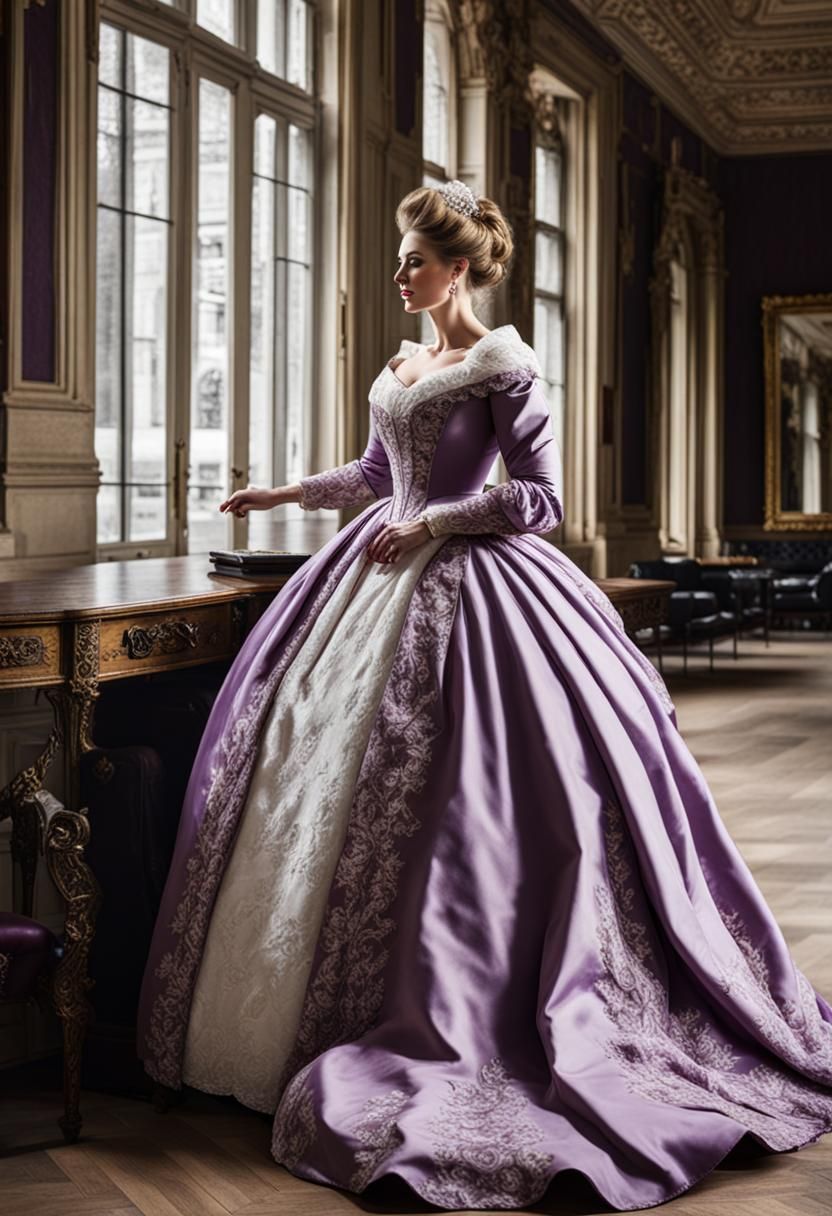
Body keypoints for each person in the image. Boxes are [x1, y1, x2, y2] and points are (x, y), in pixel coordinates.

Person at [138, 180, 832, 1212]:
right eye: (399, 258)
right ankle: (295, 1018)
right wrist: (287, 493)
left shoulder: (502, 361)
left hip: (473, 587)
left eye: (414, 259)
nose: (399, 274)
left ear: (457, 267)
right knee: (304, 777)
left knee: (477, 796)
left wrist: (433, 525)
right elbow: (379, 470)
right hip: (367, 582)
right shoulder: (406, 361)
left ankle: (479, 1001)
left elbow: (541, 501)